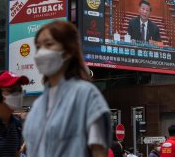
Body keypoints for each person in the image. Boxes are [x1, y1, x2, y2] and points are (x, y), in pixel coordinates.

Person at [22, 21, 112, 156]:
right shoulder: (37, 106)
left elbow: (99, 151)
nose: (41, 52)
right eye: (38, 46)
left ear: (68, 51)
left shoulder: (87, 95)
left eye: (49, 44)